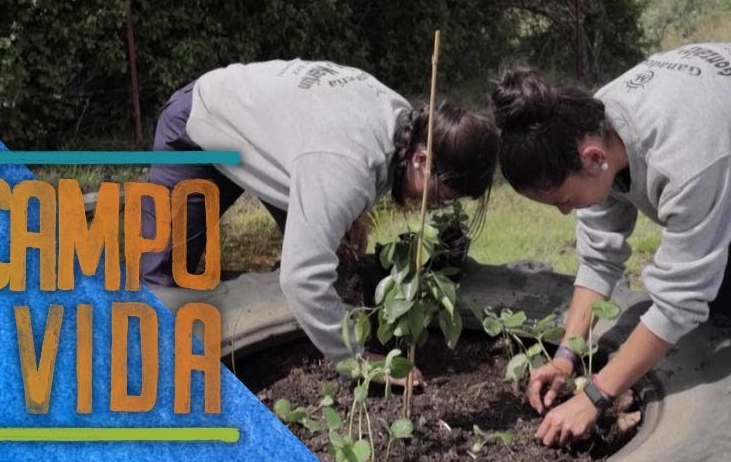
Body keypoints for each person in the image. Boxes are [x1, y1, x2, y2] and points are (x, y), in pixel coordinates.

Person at [490, 43, 731, 461]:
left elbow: (678, 303)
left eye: (564, 199)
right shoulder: (587, 130)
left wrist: (595, 395)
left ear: (593, 159)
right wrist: (566, 356)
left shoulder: (687, 152)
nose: (565, 211)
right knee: (728, 320)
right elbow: (598, 259)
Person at [141, 58, 499, 379]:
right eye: (440, 196)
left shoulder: (403, 120)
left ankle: (327, 333)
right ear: (421, 159)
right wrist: (357, 360)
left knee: (339, 261)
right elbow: (300, 279)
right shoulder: (344, 165)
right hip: (200, 125)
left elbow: (340, 157)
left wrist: (351, 212)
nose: (433, 206)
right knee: (162, 284)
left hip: (280, 141)